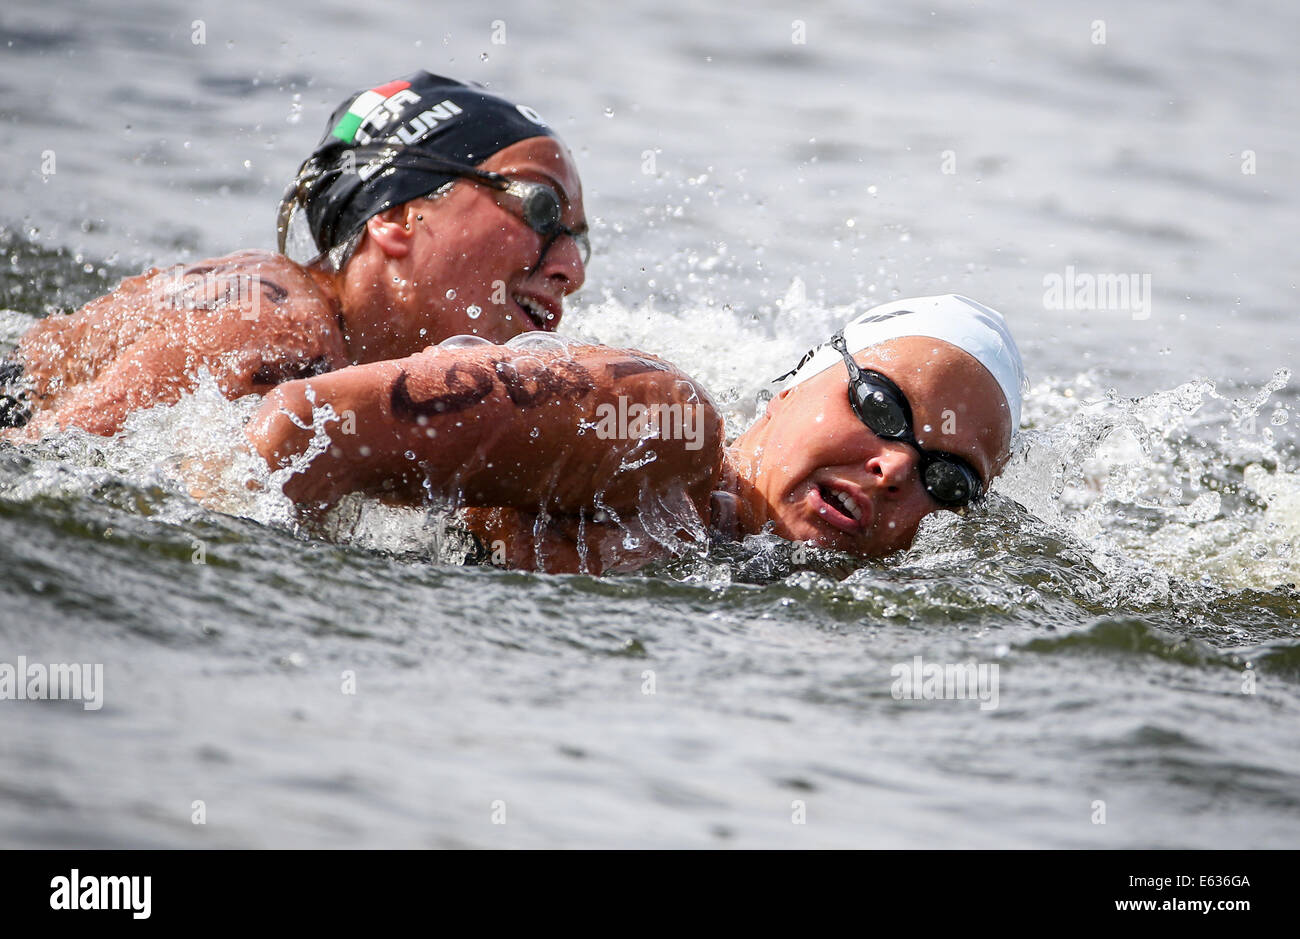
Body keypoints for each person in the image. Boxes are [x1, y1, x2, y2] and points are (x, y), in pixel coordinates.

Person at [244, 295, 1026, 573]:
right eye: (882, 407)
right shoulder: (662, 423)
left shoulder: (740, 564)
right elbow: (312, 422)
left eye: (948, 479)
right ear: (794, 379)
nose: (895, 467)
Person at [0, 71, 589, 439]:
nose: (572, 268)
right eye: (540, 209)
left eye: (580, 238)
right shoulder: (277, 329)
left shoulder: (357, 368)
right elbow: (50, 460)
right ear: (394, 217)